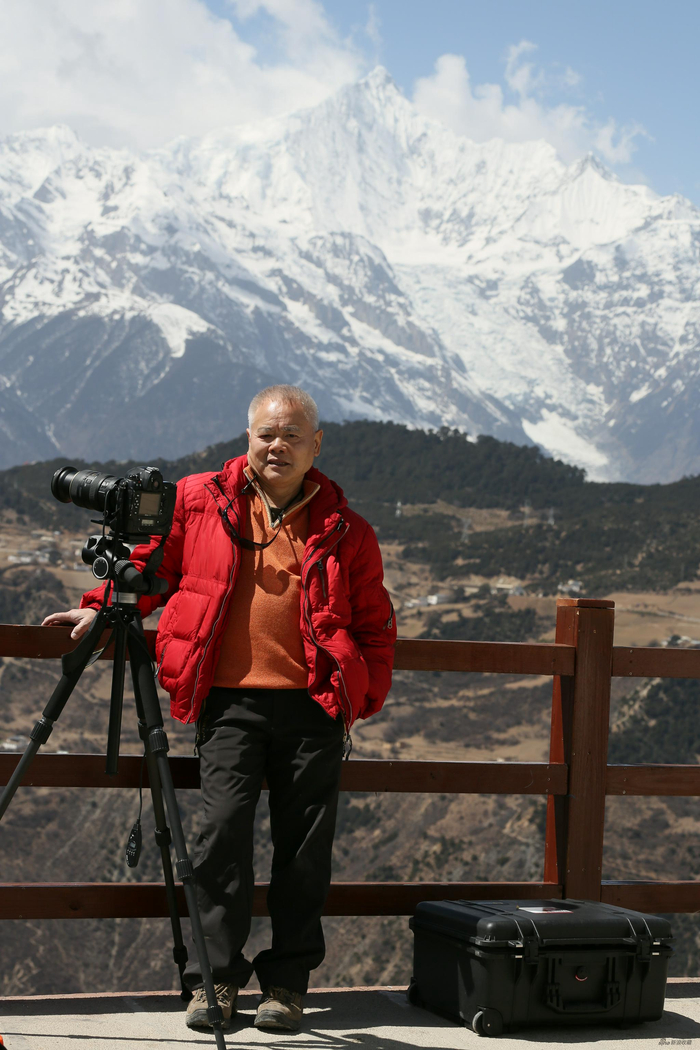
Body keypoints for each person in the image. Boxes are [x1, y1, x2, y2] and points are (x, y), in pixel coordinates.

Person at [42, 384, 396, 1032]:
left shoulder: (346, 529)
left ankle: (287, 987)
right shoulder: (202, 503)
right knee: (219, 839)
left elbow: (375, 624)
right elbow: (150, 567)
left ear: (316, 445)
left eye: (292, 435)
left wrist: (359, 696)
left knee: (304, 854)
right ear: (248, 440)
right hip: (229, 704)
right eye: (267, 433)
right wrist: (97, 606)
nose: (277, 445)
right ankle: (214, 983)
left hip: (313, 708)